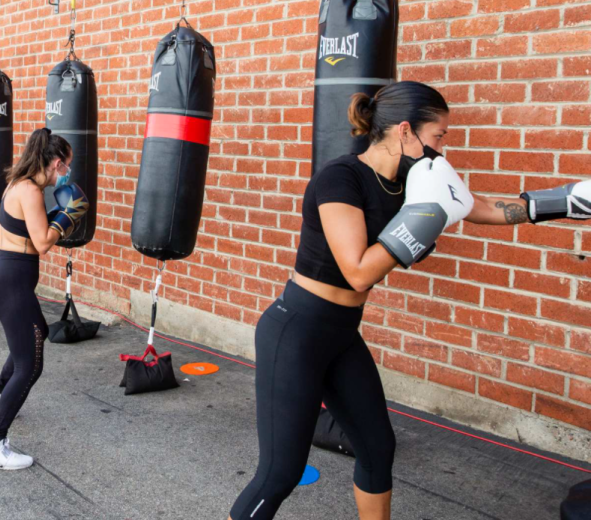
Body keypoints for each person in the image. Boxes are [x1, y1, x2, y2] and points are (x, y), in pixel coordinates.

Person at [229, 81, 591, 520]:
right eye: (437, 135)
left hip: (341, 334)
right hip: (297, 330)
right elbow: (357, 270)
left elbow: (488, 209)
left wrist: (567, 201)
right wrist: (422, 217)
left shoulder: (416, 179)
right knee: (280, 473)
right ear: (406, 131)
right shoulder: (339, 178)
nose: (441, 147)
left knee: (378, 448)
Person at [0, 127, 89, 471]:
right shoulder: (30, 191)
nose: (66, 173)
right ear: (54, 163)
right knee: (31, 364)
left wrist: (58, 216)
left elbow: (30, 229)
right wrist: (68, 216)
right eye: (65, 166)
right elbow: (41, 242)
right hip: (11, 282)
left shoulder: (20, 184)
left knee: (32, 334)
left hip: (7, 278)